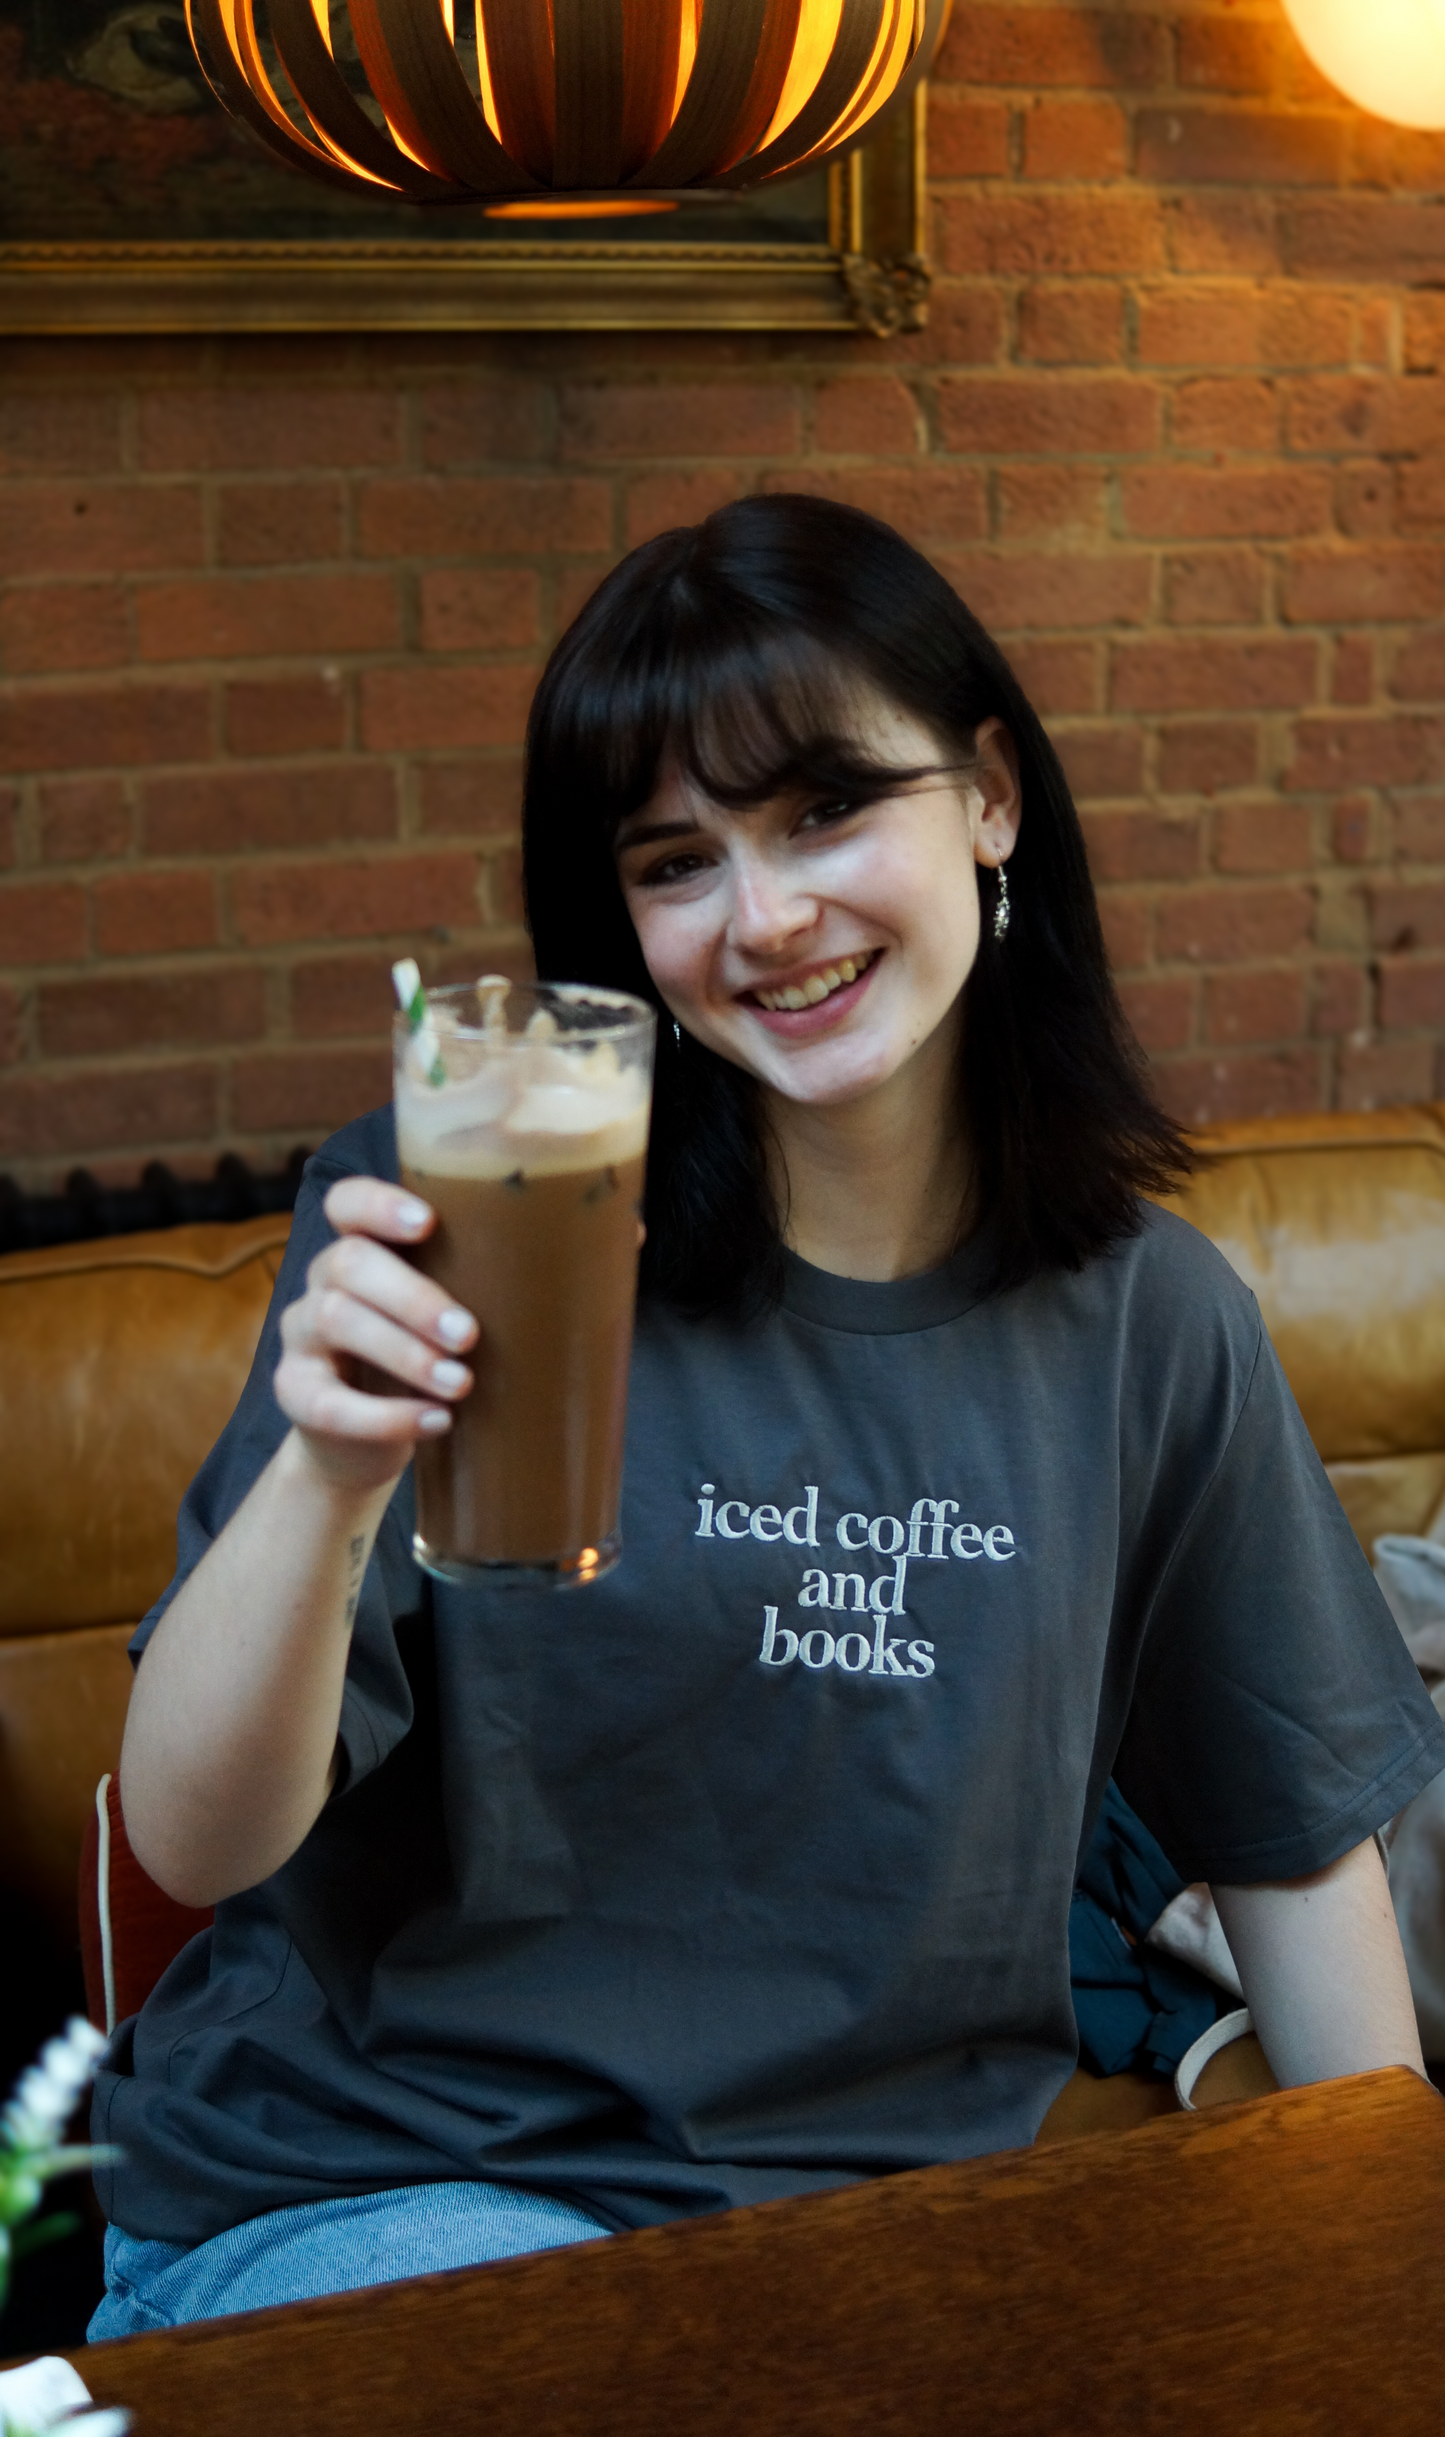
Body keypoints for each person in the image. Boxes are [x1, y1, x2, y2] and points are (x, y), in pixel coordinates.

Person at [90, 495, 1444, 2339]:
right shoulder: (467, 1221)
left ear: (987, 797)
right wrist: (334, 1473)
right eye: (676, 860)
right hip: (380, 2188)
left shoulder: (1148, 1323)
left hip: (864, 2251)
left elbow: (1294, 1846)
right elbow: (192, 1842)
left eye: (823, 810)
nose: (765, 915)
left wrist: (1377, 2279)